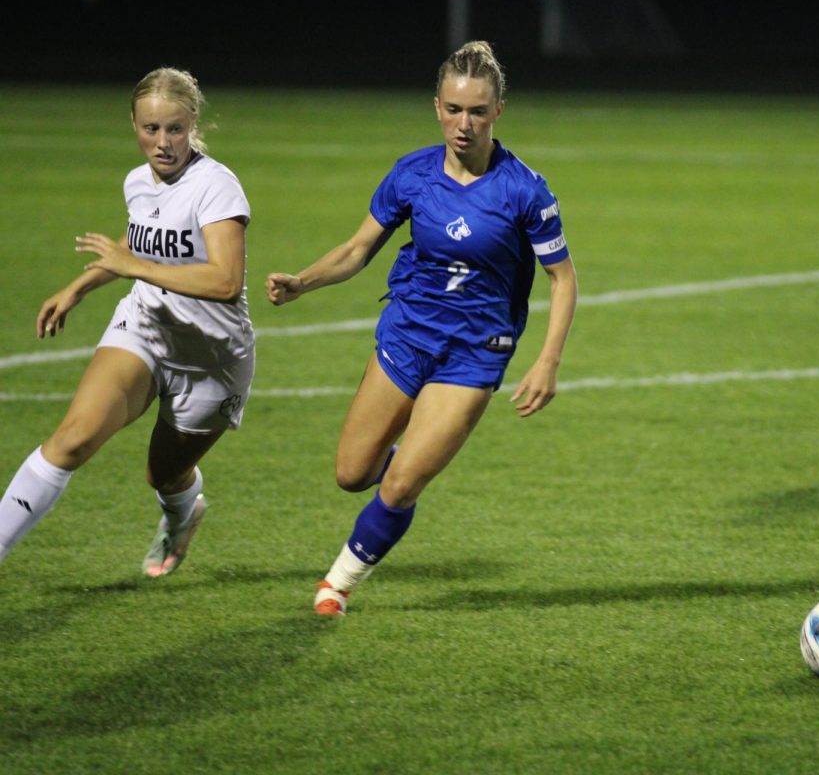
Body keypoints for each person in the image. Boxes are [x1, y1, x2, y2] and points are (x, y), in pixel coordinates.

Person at [265, 41, 578, 616]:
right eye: (454, 110)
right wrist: (303, 282)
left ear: (498, 112)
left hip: (475, 353)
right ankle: (402, 474)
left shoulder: (525, 190)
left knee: (402, 485)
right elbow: (359, 249)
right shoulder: (411, 174)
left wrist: (548, 360)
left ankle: (336, 583)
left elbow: (562, 279)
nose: (464, 124)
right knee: (351, 473)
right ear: (437, 107)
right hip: (407, 336)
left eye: (477, 112)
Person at [0, 68, 254, 572]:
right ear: (134, 125)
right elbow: (138, 244)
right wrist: (78, 287)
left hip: (211, 358)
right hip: (145, 327)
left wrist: (133, 266)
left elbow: (225, 281)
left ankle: (182, 514)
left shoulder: (216, 187)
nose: (162, 143)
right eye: (150, 129)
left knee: (164, 475)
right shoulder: (137, 182)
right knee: (72, 438)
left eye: (174, 129)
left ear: (193, 123)